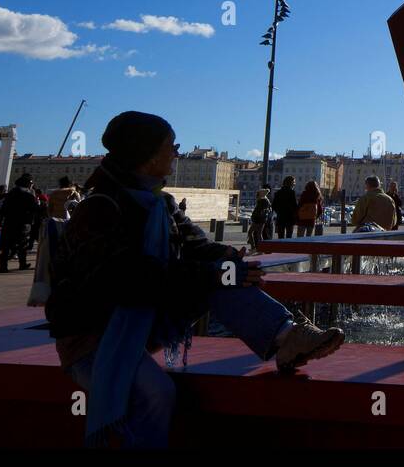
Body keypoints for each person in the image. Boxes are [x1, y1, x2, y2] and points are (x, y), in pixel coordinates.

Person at [45, 111, 344, 448]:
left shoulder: (162, 203)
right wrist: (214, 273)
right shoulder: (100, 208)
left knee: (226, 279)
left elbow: (198, 247)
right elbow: (128, 280)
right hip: (94, 333)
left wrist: (232, 260)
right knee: (156, 393)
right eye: (171, 147)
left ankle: (286, 337)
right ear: (148, 154)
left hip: (140, 318)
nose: (176, 153)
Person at [0, 174, 41, 271]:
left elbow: (3, 208)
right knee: (23, 245)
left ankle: (3, 266)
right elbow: (35, 209)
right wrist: (38, 204)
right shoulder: (29, 194)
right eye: (31, 183)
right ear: (27, 184)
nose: (32, 184)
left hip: (9, 222)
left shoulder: (10, 193)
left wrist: (1, 220)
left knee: (6, 245)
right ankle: (22, 264)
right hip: (23, 223)